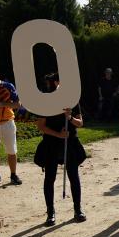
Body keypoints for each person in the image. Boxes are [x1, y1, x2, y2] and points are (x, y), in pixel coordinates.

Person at [35, 73, 87, 225]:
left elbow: (80, 123)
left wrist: (70, 117)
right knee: (49, 177)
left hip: (69, 143)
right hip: (51, 143)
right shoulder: (45, 101)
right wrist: (58, 134)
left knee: (73, 175)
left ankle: (78, 209)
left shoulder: (71, 100)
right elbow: (41, 126)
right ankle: (50, 212)